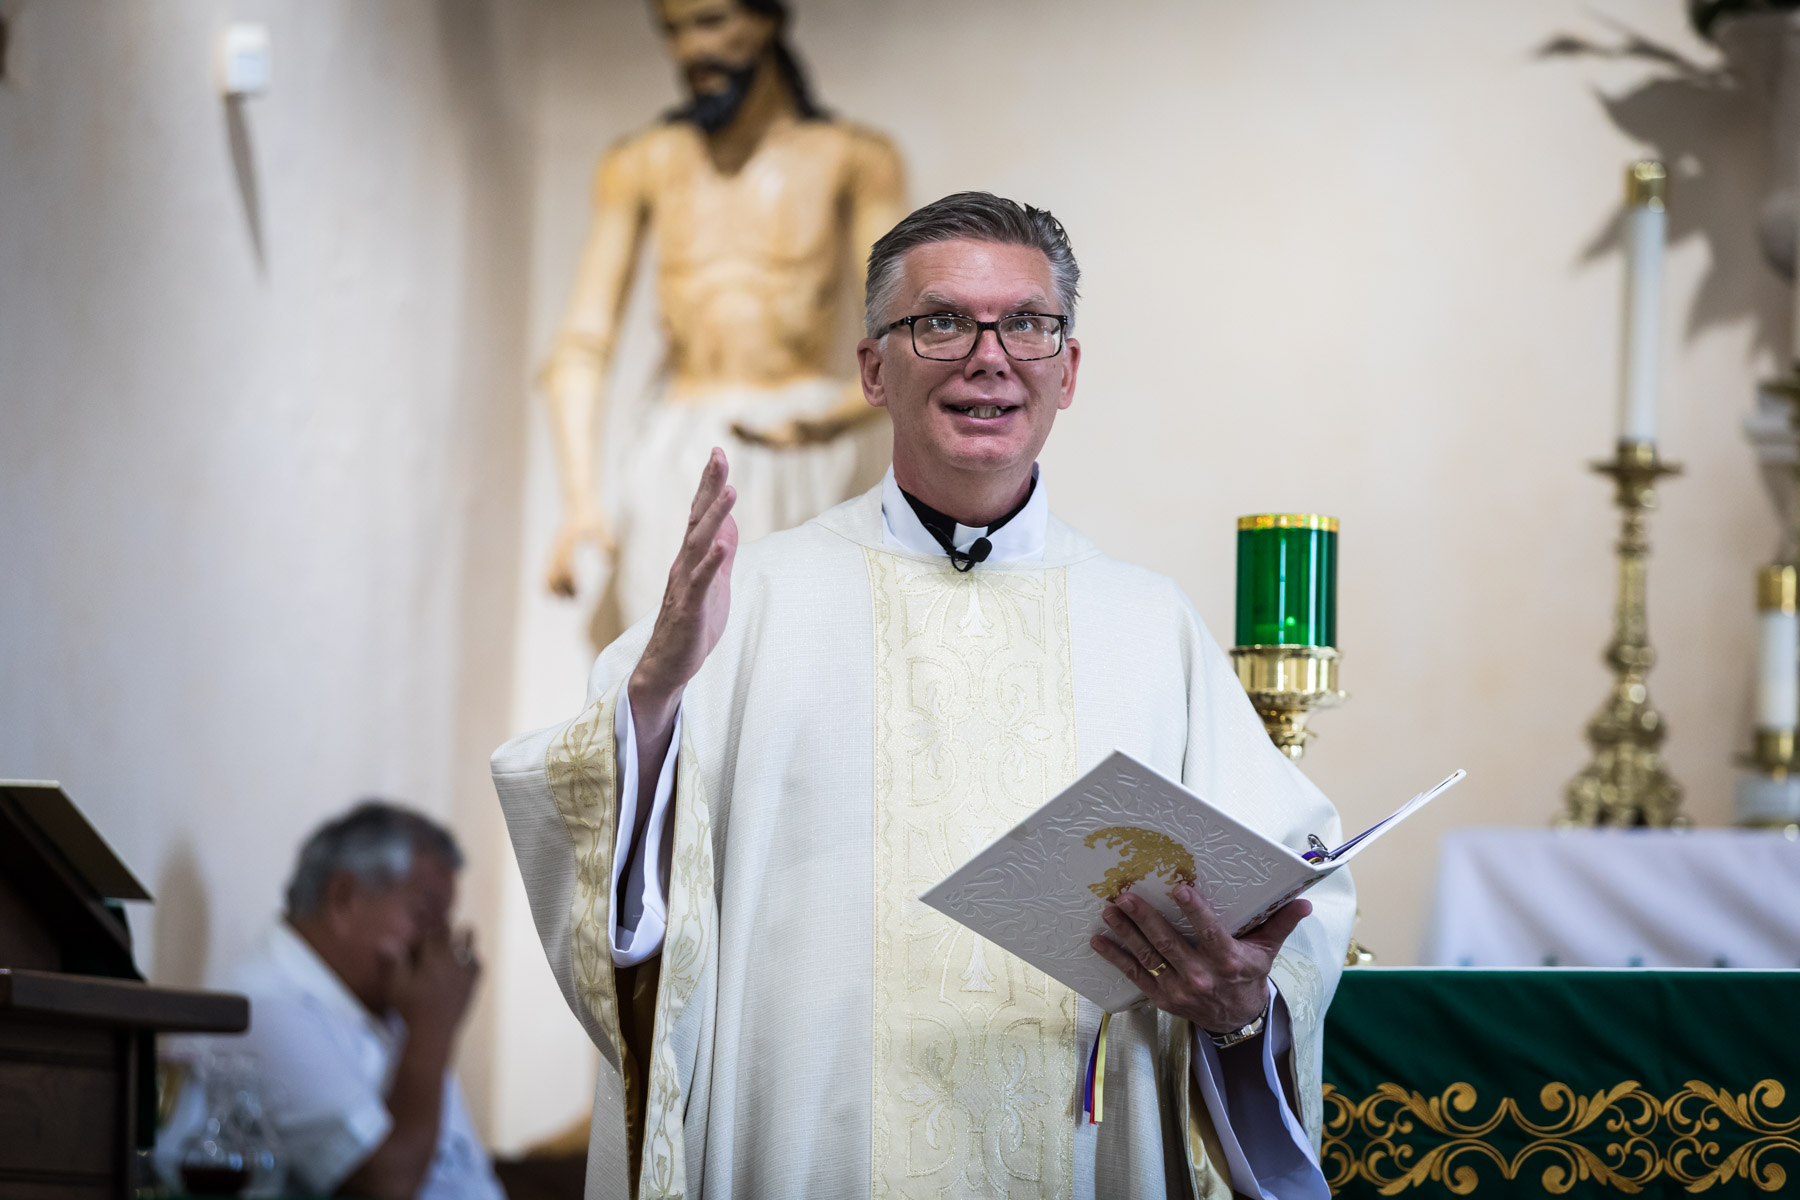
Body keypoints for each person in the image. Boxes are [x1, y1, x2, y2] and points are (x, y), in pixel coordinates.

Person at [494, 192, 1354, 1199]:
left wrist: (1246, 998)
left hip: (1087, 1147)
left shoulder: (1149, 625)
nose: (987, 356)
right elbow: (611, 875)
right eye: (940, 321)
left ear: (1067, 370)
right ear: (873, 368)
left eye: (1028, 324)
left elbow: (1296, 897)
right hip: (814, 1148)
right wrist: (652, 696)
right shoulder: (752, 603)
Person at [538, 0, 905, 641]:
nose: (688, 51)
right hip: (681, 445)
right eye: (672, 29)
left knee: (801, 662)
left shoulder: (852, 158)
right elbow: (582, 344)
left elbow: (908, 330)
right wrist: (579, 500)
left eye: (710, 21)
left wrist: (834, 418)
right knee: (671, 668)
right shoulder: (642, 163)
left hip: (806, 445)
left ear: (767, 19)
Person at [225, 802, 501, 1199]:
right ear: (343, 898)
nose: (435, 949)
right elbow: (386, 1184)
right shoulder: (262, 1003)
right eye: (423, 918)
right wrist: (432, 1030)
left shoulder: (385, 1000)